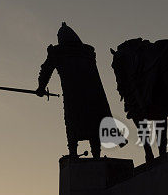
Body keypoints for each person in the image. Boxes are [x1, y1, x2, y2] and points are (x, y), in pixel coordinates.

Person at [36, 22, 115, 158]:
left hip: (74, 95)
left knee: (73, 121)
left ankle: (73, 153)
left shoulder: (58, 52)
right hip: (93, 95)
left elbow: (46, 70)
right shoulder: (87, 53)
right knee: (93, 122)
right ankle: (96, 154)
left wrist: (41, 88)